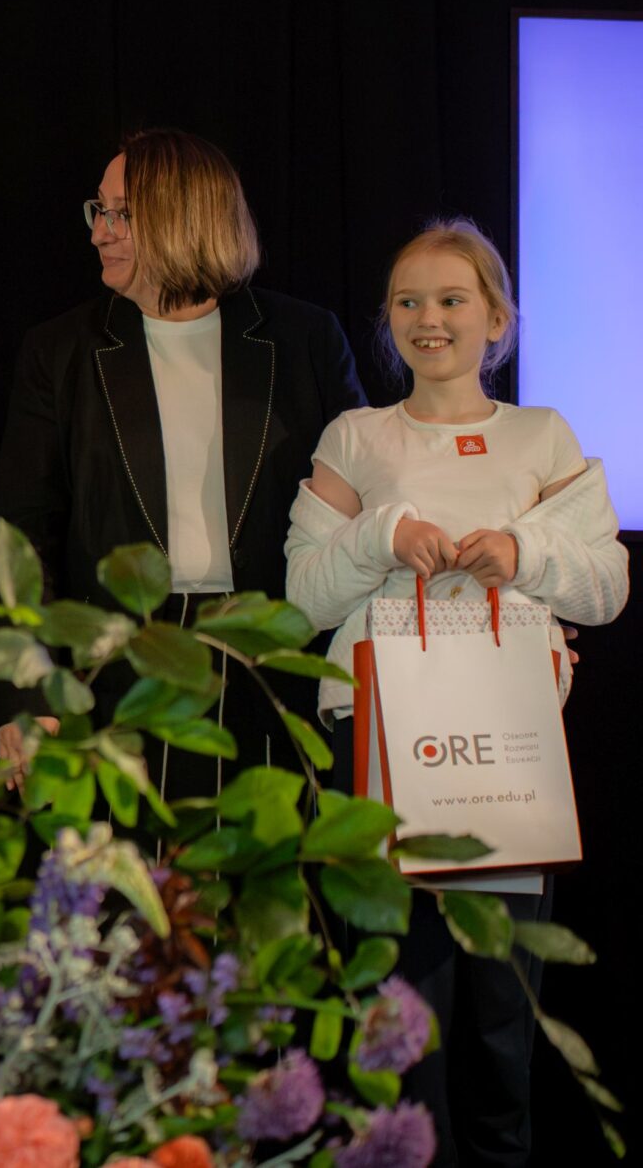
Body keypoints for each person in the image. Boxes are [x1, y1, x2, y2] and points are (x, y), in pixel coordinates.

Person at [284, 218, 626, 1167]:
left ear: (496, 318)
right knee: (400, 1017)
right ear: (387, 317)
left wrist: (524, 552)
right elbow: (302, 596)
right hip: (379, 748)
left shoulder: (541, 435)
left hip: (507, 751)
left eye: (451, 299)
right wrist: (383, 537)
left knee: (502, 1019)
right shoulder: (356, 436)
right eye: (408, 301)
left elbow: (605, 588)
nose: (427, 319)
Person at [0, 128, 365, 798]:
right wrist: (28, 692)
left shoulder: (304, 340)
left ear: (187, 218)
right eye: (98, 210)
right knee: (127, 867)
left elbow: (365, 509)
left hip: (272, 668)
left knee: (266, 859)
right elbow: (22, 537)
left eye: (121, 214)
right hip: (116, 675)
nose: (99, 232)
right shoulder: (61, 350)